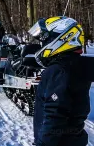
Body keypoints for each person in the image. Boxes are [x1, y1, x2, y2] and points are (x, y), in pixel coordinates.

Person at [29, 16, 92, 146]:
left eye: (45, 39)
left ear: (63, 38)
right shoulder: (78, 65)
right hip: (74, 139)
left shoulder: (58, 70)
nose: (43, 43)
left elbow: (54, 116)